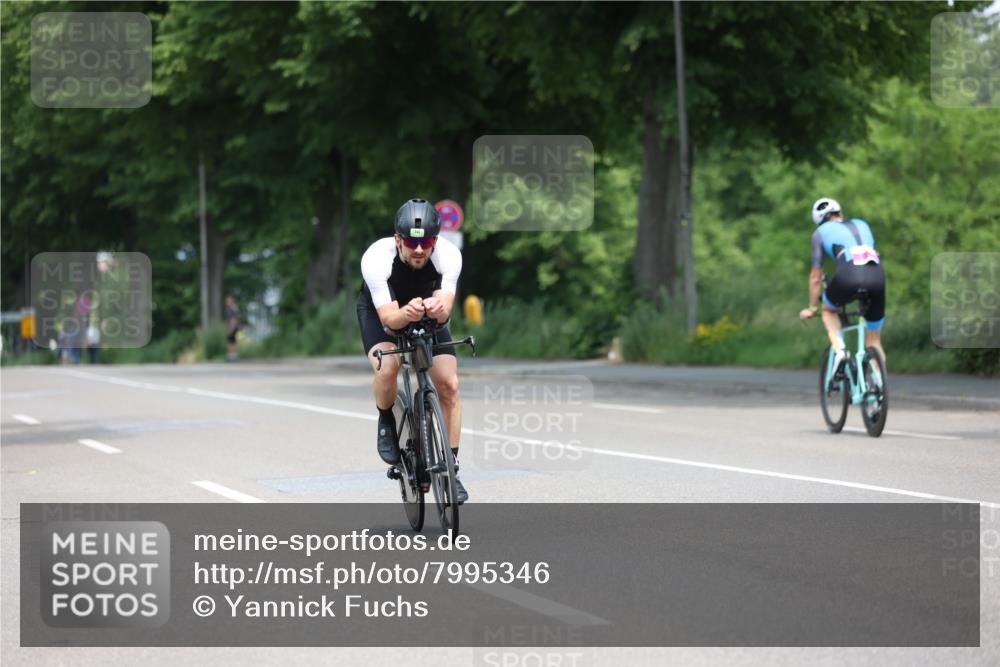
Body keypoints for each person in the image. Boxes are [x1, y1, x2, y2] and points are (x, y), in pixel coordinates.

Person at [356, 198, 468, 504]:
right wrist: (407, 312)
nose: (419, 250)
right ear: (397, 239)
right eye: (410, 242)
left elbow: (445, 314)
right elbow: (390, 320)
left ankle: (450, 471)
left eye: (426, 242)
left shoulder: (449, 256)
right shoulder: (376, 258)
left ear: (435, 240)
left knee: (449, 384)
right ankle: (386, 421)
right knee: (387, 368)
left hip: (425, 311)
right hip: (385, 311)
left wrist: (438, 308)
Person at [799, 197, 887, 371]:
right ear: (840, 213)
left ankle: (840, 351)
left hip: (849, 276)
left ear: (818, 221)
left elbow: (816, 277)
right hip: (877, 276)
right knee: (875, 341)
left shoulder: (820, 233)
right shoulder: (862, 224)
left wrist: (812, 307)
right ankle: (879, 388)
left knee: (828, 309)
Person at [225, 294, 240, 362]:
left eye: (228, 301)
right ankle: (234, 356)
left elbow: (233, 319)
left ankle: (231, 356)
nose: (227, 302)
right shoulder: (234, 308)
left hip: (232, 327)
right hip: (234, 327)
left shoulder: (232, 309)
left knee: (230, 342)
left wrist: (231, 328)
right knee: (233, 341)